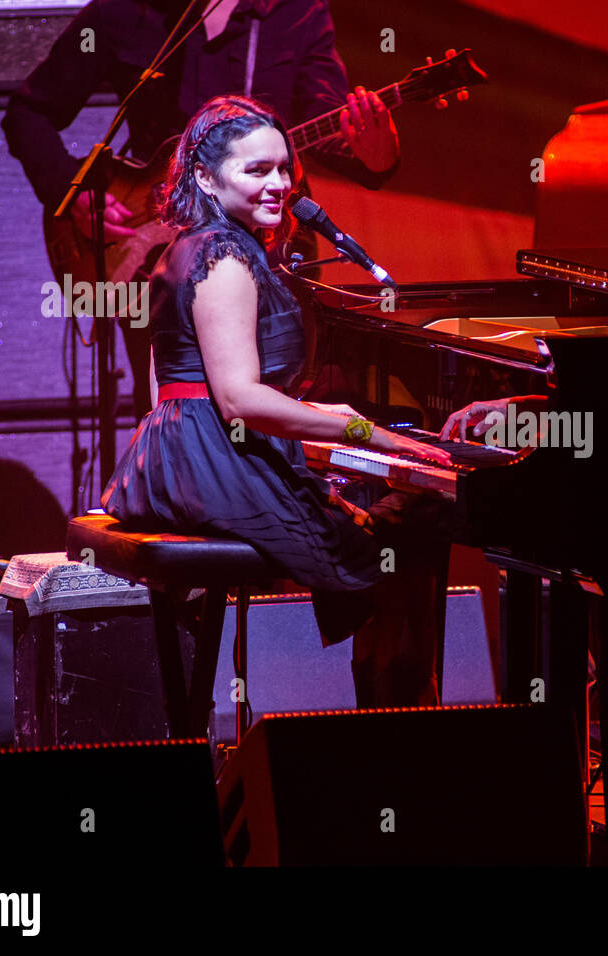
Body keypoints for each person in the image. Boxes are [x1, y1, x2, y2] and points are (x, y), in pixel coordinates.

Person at [101, 95, 454, 709]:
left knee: (371, 514)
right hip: (212, 466)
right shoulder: (226, 256)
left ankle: (379, 716)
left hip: (180, 460)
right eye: (256, 171)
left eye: (284, 168)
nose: (281, 184)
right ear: (206, 178)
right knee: (417, 525)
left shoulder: (188, 247)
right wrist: (355, 431)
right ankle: (394, 731)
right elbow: (239, 400)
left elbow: (177, 386)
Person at [2, 0, 400, 419]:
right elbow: (29, 112)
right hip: (153, 251)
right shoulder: (125, 12)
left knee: (271, 403)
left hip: (267, 251)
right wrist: (75, 191)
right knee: (170, 408)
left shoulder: (294, 11)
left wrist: (376, 156)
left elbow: (329, 127)